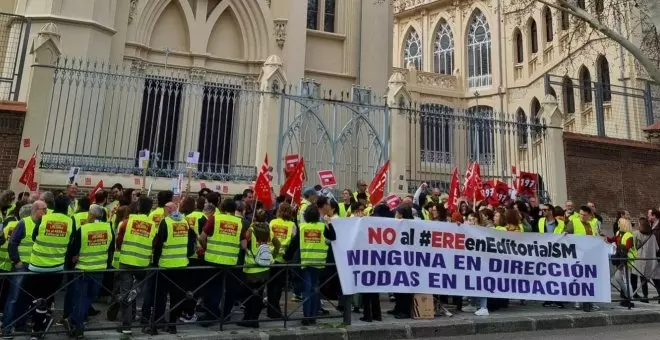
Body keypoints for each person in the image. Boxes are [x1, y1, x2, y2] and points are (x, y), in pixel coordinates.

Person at [26, 195, 75, 338]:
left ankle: (38, 328)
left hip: (36, 265)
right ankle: (41, 326)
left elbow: (34, 236)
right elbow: (70, 241)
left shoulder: (44, 218)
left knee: (36, 298)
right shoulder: (70, 221)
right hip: (56, 267)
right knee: (46, 298)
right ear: (67, 207)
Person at [62, 204, 113, 339]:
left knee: (82, 298)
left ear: (91, 215)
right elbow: (111, 248)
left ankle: (74, 321)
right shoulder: (109, 228)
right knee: (89, 297)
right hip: (99, 269)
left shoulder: (83, 229)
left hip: (83, 269)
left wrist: (75, 259)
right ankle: (78, 325)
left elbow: (73, 253)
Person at [147, 202, 195, 335]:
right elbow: (191, 245)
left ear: (168, 210)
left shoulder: (166, 222)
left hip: (165, 266)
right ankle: (173, 325)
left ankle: (156, 325)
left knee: (160, 297)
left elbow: (159, 245)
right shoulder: (185, 222)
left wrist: (155, 262)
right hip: (181, 265)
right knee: (177, 297)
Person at [2, 201, 46, 338]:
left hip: (35, 266)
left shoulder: (43, 224)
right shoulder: (24, 223)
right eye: (43, 209)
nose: (46, 212)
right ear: (35, 210)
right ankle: (7, 328)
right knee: (14, 297)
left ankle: (20, 323)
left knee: (26, 297)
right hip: (23, 266)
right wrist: (17, 261)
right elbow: (13, 242)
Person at [198, 198, 244, 326]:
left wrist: (206, 247)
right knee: (230, 289)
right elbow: (244, 245)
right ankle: (226, 314)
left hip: (213, 260)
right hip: (231, 261)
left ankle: (211, 315)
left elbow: (202, 237)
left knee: (213, 289)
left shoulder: (215, 218)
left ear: (222, 208)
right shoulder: (239, 222)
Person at [116, 197, 158, 336]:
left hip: (126, 261)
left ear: (138, 207)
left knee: (125, 293)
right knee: (133, 291)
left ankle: (126, 326)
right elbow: (154, 244)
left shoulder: (126, 223)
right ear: (150, 209)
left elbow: (119, 241)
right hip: (142, 263)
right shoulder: (153, 226)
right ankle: (135, 290)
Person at [283, 205, 328, 325]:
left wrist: (286, 257)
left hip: (306, 263)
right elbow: (333, 237)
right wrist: (329, 224)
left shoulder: (302, 228)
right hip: (319, 263)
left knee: (307, 291)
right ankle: (313, 316)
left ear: (306, 216)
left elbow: (293, 245)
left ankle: (307, 317)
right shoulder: (322, 227)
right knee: (315, 289)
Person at [240, 211, 280, 328]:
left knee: (249, 294)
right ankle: (255, 319)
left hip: (251, 267)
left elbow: (243, 245)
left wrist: (247, 251)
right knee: (259, 294)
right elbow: (277, 244)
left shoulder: (251, 230)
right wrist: (272, 255)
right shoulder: (268, 230)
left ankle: (248, 319)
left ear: (255, 218)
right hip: (264, 267)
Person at [266, 202, 295, 319]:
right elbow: (293, 241)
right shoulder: (292, 225)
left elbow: (268, 237)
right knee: (278, 287)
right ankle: (275, 310)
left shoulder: (272, 222)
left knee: (270, 285)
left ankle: (270, 309)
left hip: (271, 257)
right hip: (283, 259)